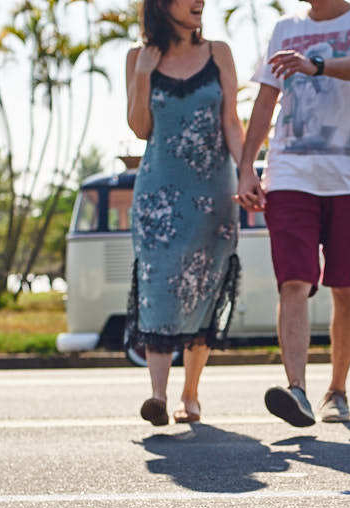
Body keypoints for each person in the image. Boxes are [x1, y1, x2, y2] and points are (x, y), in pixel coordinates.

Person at [235, 0, 350, 428]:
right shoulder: (285, 27)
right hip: (288, 174)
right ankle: (297, 390)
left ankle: (337, 390)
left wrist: (314, 65)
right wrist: (247, 167)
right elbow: (266, 98)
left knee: (344, 285)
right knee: (294, 281)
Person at [125, 0, 245, 426]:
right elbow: (140, 128)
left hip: (214, 191)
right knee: (157, 282)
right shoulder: (138, 58)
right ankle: (157, 395)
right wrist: (142, 77)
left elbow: (231, 121)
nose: (199, 2)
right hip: (158, 192)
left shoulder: (219, 53)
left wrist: (247, 171)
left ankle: (190, 395)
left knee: (203, 283)